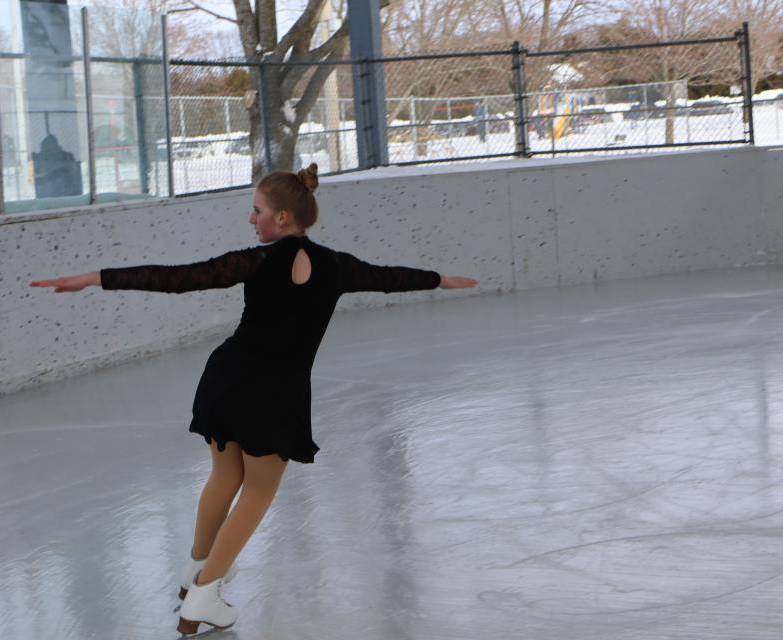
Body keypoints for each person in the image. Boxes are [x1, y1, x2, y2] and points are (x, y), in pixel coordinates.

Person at [29, 163, 478, 635]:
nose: (251, 219)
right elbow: (391, 277)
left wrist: (95, 278)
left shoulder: (255, 262)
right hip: (275, 393)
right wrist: (440, 279)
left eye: (257, 210)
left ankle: (196, 573)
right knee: (259, 489)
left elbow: (178, 278)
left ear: (282, 218)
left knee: (226, 474)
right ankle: (205, 591)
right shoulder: (338, 267)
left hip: (227, 379)